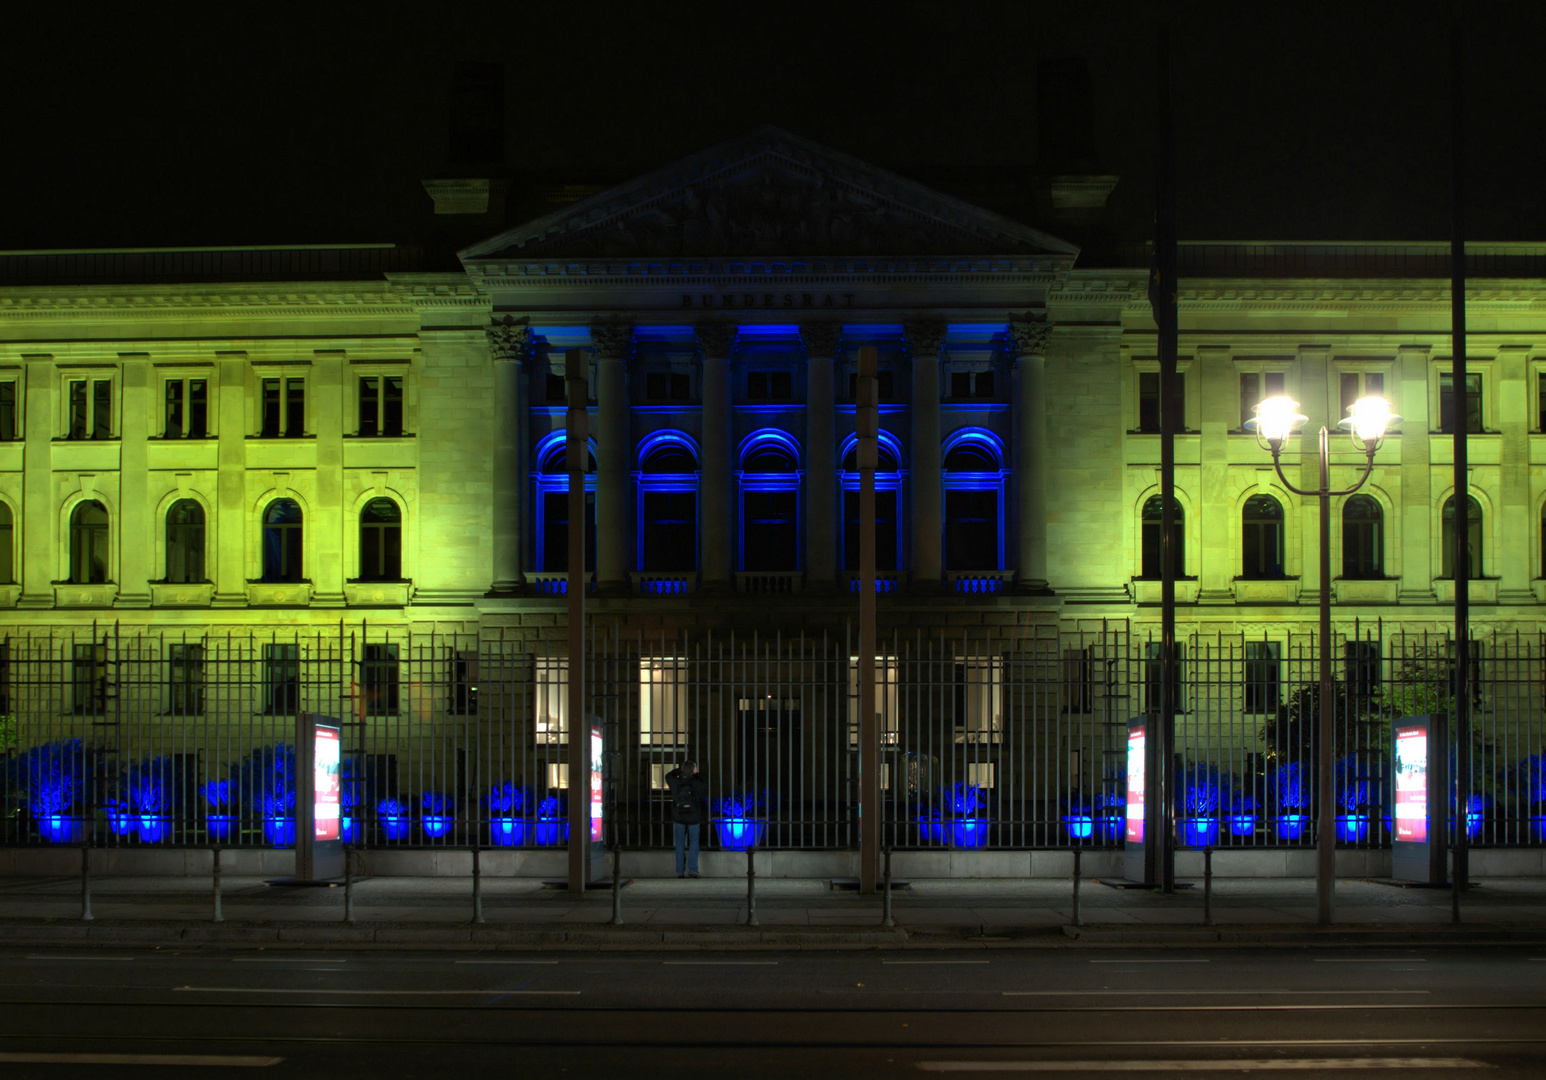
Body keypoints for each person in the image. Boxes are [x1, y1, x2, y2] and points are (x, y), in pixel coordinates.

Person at [665, 759, 707, 878]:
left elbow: (668, 775)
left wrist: (681, 770)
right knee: (694, 842)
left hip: (679, 816)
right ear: (693, 770)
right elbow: (704, 784)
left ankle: (679, 871)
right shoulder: (696, 781)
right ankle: (693, 870)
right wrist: (695, 773)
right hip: (694, 816)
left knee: (679, 843)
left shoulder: (675, 781)